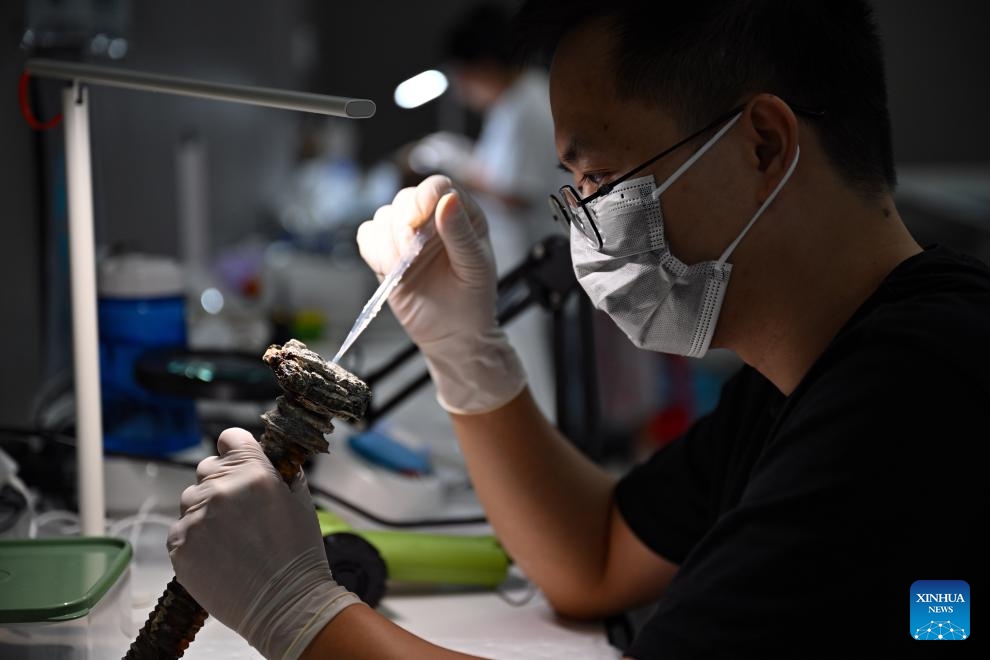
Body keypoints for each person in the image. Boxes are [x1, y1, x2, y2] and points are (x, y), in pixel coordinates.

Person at [167, 1, 986, 658]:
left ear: (762, 144)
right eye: (575, 187)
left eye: (600, 177)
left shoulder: (920, 390)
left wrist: (300, 614)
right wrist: (467, 351)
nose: (587, 222)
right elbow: (592, 557)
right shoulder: (797, 384)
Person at [406, 1, 565, 420]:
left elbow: (516, 192)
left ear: (487, 65)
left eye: (465, 77)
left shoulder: (529, 106)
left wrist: (454, 162)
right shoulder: (512, 105)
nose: (462, 89)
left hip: (536, 253)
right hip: (516, 256)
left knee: (532, 371)